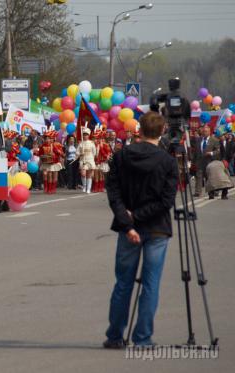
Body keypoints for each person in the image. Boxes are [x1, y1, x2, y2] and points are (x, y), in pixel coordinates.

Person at [104, 111, 179, 348]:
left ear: (139, 129)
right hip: (157, 228)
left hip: (128, 230)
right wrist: (139, 217)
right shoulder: (168, 162)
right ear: (162, 131)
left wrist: (129, 222)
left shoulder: (121, 156)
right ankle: (143, 337)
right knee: (150, 284)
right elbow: (166, 201)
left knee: (123, 283)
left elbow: (113, 193)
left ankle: (115, 335)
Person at [191, 125, 220, 197]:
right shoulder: (198, 140)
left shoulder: (214, 140)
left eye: (206, 131)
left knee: (210, 177)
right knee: (198, 177)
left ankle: (213, 191)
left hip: (209, 162)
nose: (204, 133)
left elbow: (218, 151)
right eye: (203, 131)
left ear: (209, 131)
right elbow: (195, 151)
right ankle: (198, 192)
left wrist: (211, 153)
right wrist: (193, 162)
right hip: (199, 162)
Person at [38, 129, 63, 194]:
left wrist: (55, 152)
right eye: (46, 138)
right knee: (47, 174)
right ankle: (47, 187)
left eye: (49, 138)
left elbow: (61, 153)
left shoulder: (56, 145)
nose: (47, 140)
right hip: (46, 162)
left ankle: (53, 188)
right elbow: (39, 154)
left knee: (53, 175)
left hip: (54, 162)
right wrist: (42, 156)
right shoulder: (43, 146)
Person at [77, 127, 96, 193]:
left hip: (90, 160)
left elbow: (94, 152)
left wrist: (90, 157)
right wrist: (80, 154)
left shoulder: (91, 143)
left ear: (88, 135)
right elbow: (77, 152)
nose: (85, 136)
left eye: (86, 134)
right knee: (83, 174)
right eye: (84, 134)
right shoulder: (80, 143)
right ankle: (84, 186)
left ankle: (88, 188)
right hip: (82, 160)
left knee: (89, 175)